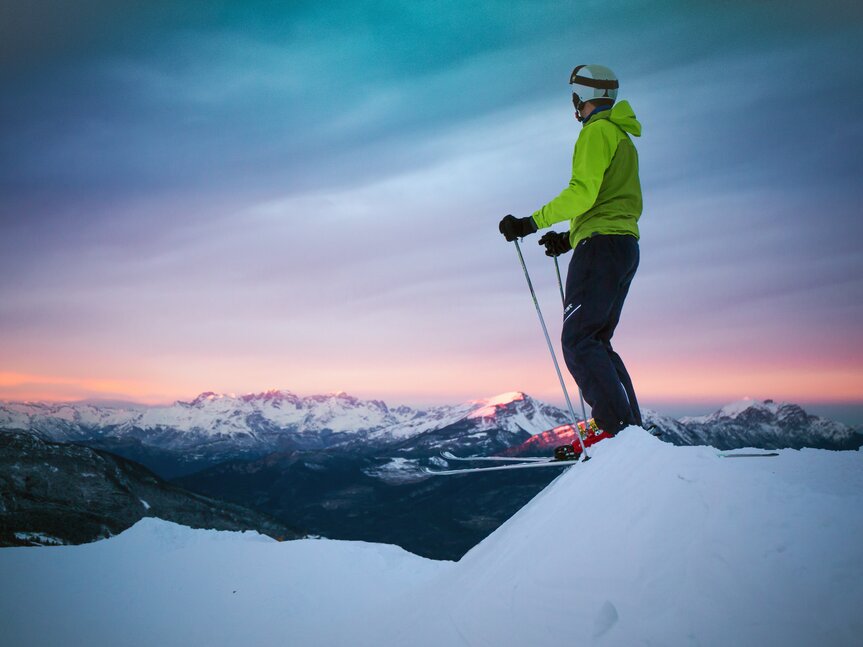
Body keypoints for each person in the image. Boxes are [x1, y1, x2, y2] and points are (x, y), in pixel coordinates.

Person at [498, 64, 643, 439]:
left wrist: (531, 222)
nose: (573, 107)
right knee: (596, 339)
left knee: (578, 340)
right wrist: (569, 238)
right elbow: (608, 201)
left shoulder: (596, 134)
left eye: (574, 99)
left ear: (583, 97)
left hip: (602, 247)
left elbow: (582, 193)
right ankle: (630, 430)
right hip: (622, 245)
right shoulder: (622, 137)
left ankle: (618, 431)